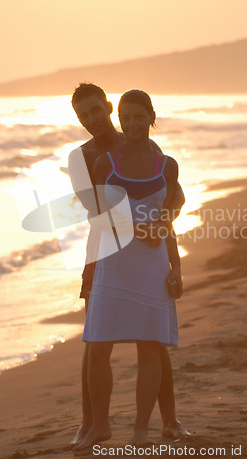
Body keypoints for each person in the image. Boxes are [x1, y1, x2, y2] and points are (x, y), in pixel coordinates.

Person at [68, 84, 190, 448]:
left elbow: (174, 195)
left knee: (151, 339)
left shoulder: (141, 140)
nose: (91, 120)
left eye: (96, 110)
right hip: (105, 253)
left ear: (109, 107)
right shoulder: (83, 157)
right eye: (83, 115)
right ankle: (91, 423)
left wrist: (161, 224)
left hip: (146, 254)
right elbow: (94, 211)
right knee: (96, 341)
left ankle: (169, 418)